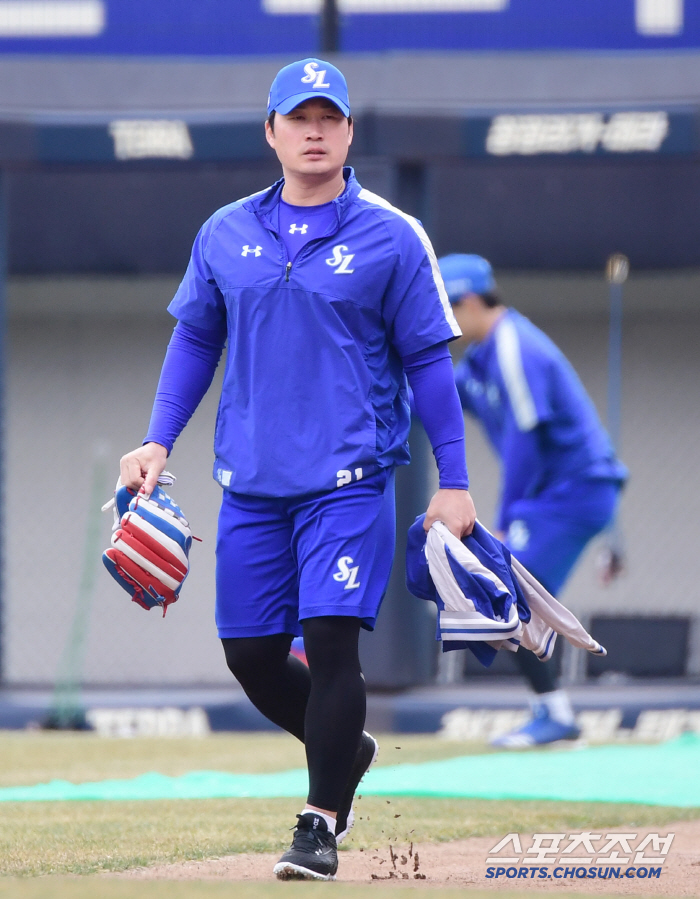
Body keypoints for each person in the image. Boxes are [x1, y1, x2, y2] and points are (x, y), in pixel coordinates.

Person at [118, 58, 476, 881]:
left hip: (349, 484)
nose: (314, 130)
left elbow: (428, 362)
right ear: (272, 131)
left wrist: (451, 482)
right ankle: (346, 749)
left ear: (349, 133)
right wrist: (156, 440)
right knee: (249, 653)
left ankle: (318, 822)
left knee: (331, 645)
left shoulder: (391, 234)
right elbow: (195, 338)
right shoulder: (224, 232)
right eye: (298, 117)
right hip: (249, 486)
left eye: (330, 117)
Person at [438, 253, 627, 748]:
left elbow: (526, 442)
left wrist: (502, 521)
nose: (446, 318)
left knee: (506, 589)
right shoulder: (480, 354)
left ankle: (555, 715)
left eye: (450, 306)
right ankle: (554, 712)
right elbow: (442, 402)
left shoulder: (514, 347)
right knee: (506, 596)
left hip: (574, 493)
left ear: (473, 301)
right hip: (553, 497)